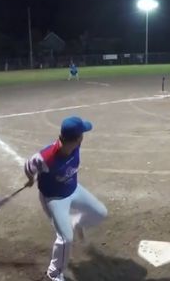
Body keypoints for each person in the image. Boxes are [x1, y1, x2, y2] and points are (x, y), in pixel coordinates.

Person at [24, 116, 108, 281]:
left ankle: (75, 221)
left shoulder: (75, 145)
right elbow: (28, 166)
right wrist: (30, 179)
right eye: (82, 134)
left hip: (74, 189)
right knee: (65, 238)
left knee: (100, 212)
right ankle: (54, 272)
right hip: (54, 199)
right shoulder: (47, 157)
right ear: (78, 138)